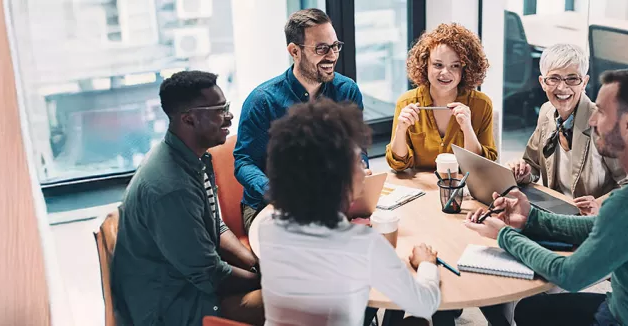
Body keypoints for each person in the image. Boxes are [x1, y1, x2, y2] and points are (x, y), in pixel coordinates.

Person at [464, 68, 628, 326]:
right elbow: (600, 227)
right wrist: (530, 218)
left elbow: (568, 275)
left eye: (600, 111)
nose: (591, 120)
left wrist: (504, 235)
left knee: (531, 311)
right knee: (532, 310)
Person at [256, 100, 441, 326]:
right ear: (335, 176)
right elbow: (425, 303)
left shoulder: (267, 227)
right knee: (418, 319)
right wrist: (426, 264)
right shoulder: (362, 244)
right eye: (356, 162)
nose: (364, 170)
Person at [110, 71, 264, 326]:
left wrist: (254, 264)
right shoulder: (171, 188)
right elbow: (211, 275)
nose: (229, 116)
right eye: (220, 110)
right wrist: (269, 280)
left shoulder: (193, 157)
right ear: (188, 119)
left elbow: (215, 225)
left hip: (187, 282)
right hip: (171, 307)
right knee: (295, 300)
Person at [236, 8, 368, 235]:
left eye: (335, 46)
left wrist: (361, 167)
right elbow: (243, 161)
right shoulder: (262, 100)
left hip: (330, 198)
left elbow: (358, 148)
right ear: (294, 51)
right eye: (321, 48)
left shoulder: (347, 91)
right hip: (268, 205)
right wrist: (276, 192)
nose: (333, 56)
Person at [508, 44, 628, 216]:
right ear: (542, 82)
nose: (562, 88)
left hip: (592, 222)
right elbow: (532, 165)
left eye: (572, 79)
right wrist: (521, 171)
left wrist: (600, 204)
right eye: (554, 78)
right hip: (554, 212)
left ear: (584, 82)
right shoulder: (546, 112)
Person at [387, 23, 496, 171]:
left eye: (455, 66)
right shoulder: (407, 102)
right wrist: (401, 129)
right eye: (438, 65)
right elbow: (398, 164)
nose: (445, 73)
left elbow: (482, 166)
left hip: (463, 189)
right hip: (421, 189)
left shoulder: (482, 105)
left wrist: (467, 128)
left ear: (466, 69)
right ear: (425, 65)